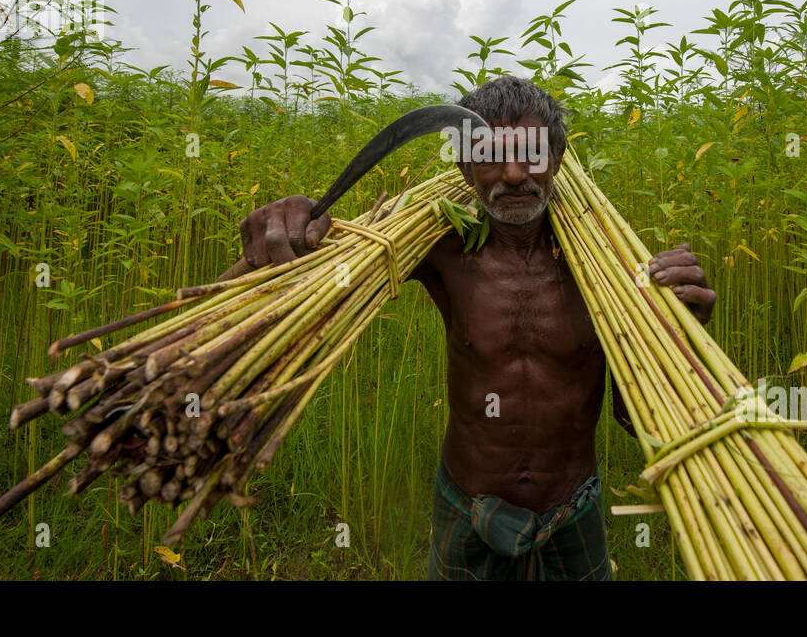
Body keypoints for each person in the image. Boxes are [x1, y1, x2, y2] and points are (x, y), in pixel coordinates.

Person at [228, 76, 716, 580]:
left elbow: (633, 418)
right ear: (463, 168)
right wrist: (284, 237)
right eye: (488, 156)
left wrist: (678, 335)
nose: (512, 175)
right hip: (466, 504)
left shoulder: (609, 262)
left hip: (574, 505)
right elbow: (304, 279)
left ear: (559, 159)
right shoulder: (438, 246)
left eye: (531, 154)